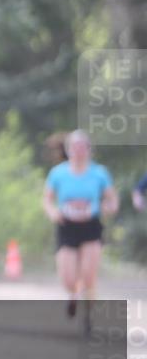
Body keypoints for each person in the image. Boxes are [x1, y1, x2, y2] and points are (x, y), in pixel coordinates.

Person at [42, 130, 119, 318]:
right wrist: (53, 213)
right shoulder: (58, 173)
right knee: (68, 278)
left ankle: (89, 312)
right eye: (74, 147)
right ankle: (74, 294)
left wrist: (108, 208)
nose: (78, 151)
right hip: (67, 226)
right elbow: (47, 199)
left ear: (89, 150)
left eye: (82, 147)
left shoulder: (99, 173)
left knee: (88, 275)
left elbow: (112, 199)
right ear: (68, 150)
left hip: (90, 226)